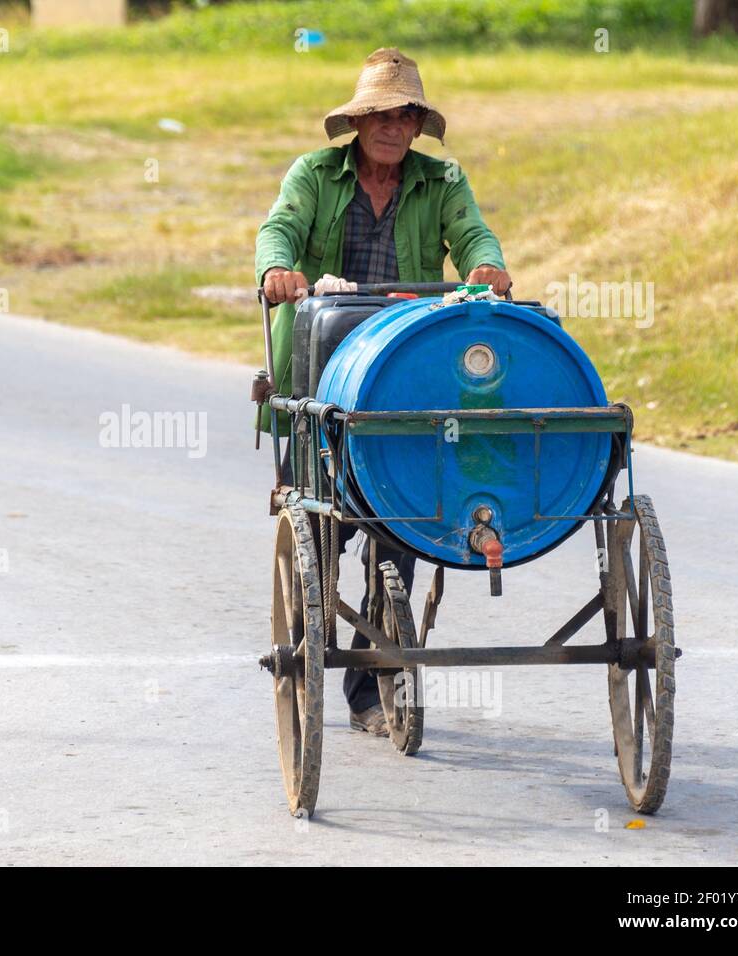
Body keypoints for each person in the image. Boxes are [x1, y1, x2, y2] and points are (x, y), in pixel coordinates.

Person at [256, 48, 511, 736]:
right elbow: (278, 229)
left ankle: (372, 685)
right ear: (360, 121)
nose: (393, 127)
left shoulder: (441, 179)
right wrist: (281, 268)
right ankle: (311, 646)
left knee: (397, 530)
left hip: (403, 371)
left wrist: (487, 263)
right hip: (323, 362)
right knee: (318, 528)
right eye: (381, 114)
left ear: (417, 124)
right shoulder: (314, 174)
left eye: (406, 115)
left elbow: (474, 234)